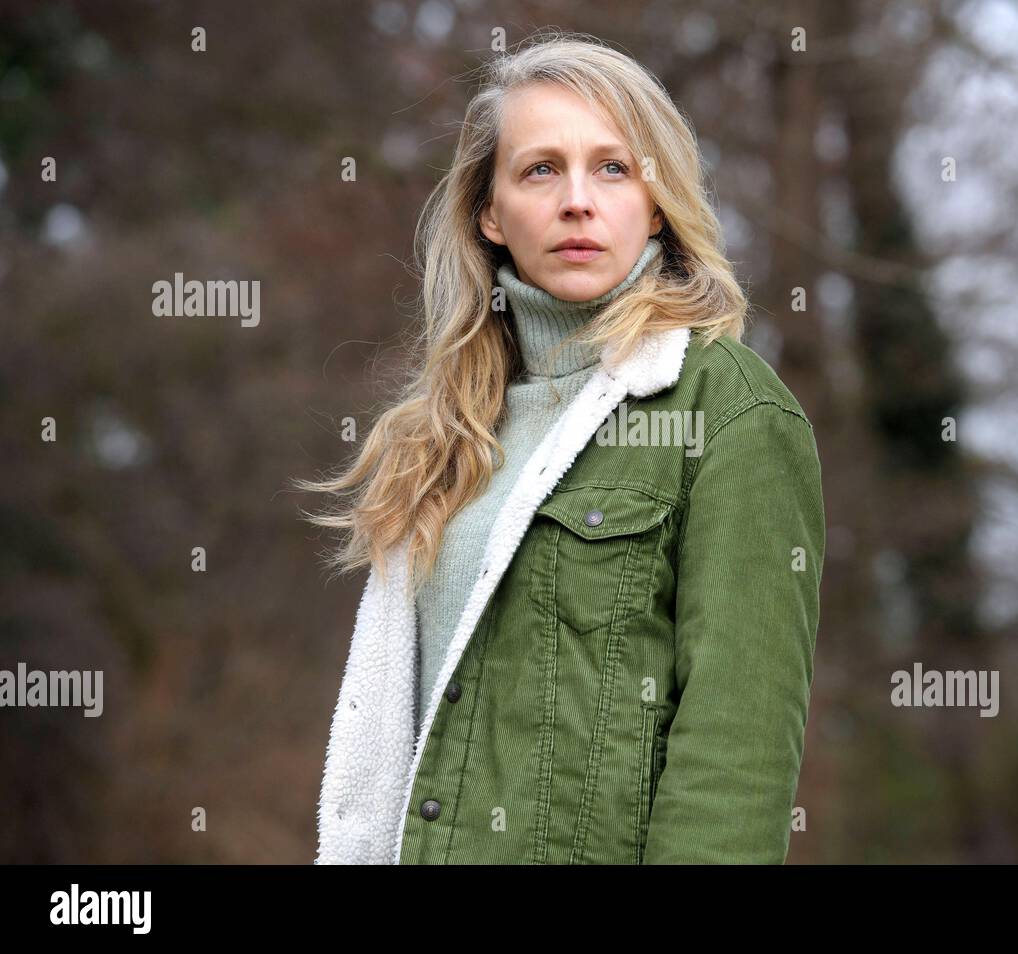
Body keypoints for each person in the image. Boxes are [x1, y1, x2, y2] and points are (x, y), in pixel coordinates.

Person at [298, 31, 825, 864]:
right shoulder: (444, 430)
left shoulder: (732, 413)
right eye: (540, 169)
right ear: (490, 211)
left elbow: (738, 753)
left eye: (615, 168)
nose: (577, 200)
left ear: (657, 204)